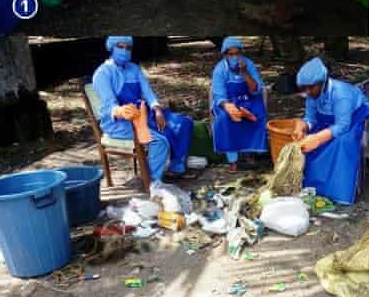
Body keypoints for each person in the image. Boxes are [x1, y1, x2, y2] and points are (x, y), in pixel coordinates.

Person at [92, 36, 194, 186]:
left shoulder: (134, 68)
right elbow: (109, 106)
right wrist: (121, 111)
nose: (124, 51)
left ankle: (176, 167)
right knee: (159, 140)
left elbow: (148, 93)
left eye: (128, 48)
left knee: (183, 123)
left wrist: (157, 109)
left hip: (144, 113)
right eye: (120, 47)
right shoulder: (103, 73)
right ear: (111, 48)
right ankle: (152, 181)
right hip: (119, 123)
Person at [293, 55, 369, 205]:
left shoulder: (341, 94)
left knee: (342, 142)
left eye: (311, 87)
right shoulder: (311, 94)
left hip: (359, 119)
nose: (307, 92)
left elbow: (343, 125)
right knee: (308, 141)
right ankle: (315, 186)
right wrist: (302, 126)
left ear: (323, 82)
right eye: (303, 88)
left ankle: (338, 191)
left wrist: (318, 138)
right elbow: (311, 119)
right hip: (331, 120)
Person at [211, 36, 268, 170]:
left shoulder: (249, 64)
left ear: (242, 53)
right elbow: (219, 95)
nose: (234, 57)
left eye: (237, 53)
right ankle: (233, 160)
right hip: (228, 102)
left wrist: (245, 72)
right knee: (226, 119)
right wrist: (229, 107)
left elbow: (256, 89)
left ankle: (249, 153)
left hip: (249, 99)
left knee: (257, 115)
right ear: (225, 55)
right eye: (230, 54)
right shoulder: (219, 69)